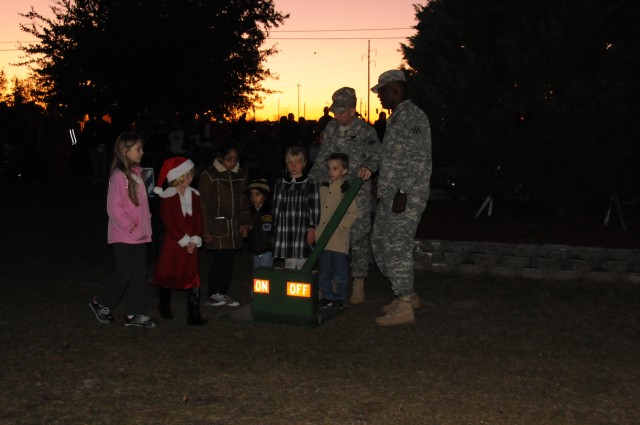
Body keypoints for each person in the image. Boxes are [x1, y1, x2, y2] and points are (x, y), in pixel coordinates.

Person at [370, 69, 432, 326]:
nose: (379, 97)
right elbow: (394, 158)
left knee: (397, 247)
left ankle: (405, 304)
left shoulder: (413, 117)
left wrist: (403, 192)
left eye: (381, 92)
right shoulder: (397, 118)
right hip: (391, 194)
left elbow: (417, 160)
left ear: (394, 89)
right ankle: (405, 292)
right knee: (379, 242)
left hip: (407, 195)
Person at [308, 87, 380, 305]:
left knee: (357, 236)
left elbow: (377, 154)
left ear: (352, 110)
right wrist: (310, 180)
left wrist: (368, 167)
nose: (336, 116)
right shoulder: (330, 129)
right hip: (332, 193)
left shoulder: (366, 130)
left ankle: (358, 282)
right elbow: (322, 158)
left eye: (340, 112)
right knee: (329, 235)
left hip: (357, 193)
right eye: (335, 111)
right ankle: (328, 284)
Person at [89, 132, 158, 328]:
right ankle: (100, 302)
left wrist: (146, 220)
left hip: (139, 235)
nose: (142, 152)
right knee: (125, 272)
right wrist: (130, 224)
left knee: (139, 273)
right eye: (138, 149)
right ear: (126, 151)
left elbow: (140, 205)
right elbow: (114, 208)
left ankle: (135, 313)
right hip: (125, 235)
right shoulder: (119, 177)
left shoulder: (137, 175)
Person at [152, 157, 207, 325]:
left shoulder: (195, 195)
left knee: (193, 277)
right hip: (173, 244)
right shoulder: (167, 197)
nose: (189, 179)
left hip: (191, 244)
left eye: (191, 175)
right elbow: (168, 221)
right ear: (177, 177)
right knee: (168, 274)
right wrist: (183, 240)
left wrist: (195, 239)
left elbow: (198, 218)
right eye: (185, 176)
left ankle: (194, 314)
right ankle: (164, 307)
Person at [199, 141, 251, 307]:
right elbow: (204, 205)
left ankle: (223, 293)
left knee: (229, 259)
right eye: (229, 159)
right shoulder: (209, 176)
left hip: (234, 225)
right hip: (217, 226)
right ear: (220, 158)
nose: (232, 162)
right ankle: (212, 294)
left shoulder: (241, 175)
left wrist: (246, 223)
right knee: (220, 258)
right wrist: (206, 230)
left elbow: (245, 201)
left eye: (235, 159)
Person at [316, 153, 359, 309]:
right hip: (323, 240)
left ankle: (339, 297)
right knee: (324, 271)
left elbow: (353, 213)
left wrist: (341, 226)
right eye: (329, 168)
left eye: (335, 168)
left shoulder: (346, 190)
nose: (331, 172)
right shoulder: (323, 188)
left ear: (344, 171)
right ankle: (327, 295)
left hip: (339, 241)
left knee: (340, 272)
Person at [272, 146, 320, 269]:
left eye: (297, 162)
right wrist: (275, 228)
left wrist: (312, 229)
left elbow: (314, 208)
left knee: (302, 262)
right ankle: (289, 285)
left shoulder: (310, 184)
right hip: (285, 228)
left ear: (304, 164)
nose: (293, 166)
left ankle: (302, 284)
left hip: (302, 229)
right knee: (289, 263)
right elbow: (276, 207)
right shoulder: (280, 183)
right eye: (290, 162)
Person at [245, 178, 274, 268]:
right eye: (251, 194)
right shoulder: (249, 212)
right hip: (255, 249)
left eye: (257, 194)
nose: (253, 198)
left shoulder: (271, 211)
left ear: (264, 196)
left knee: (265, 275)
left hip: (267, 250)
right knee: (257, 274)